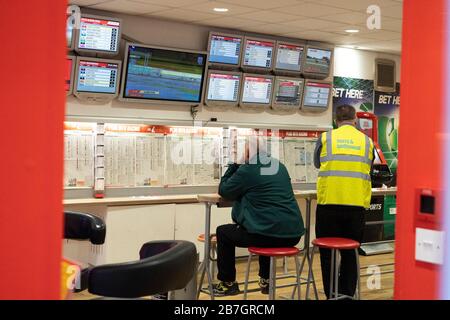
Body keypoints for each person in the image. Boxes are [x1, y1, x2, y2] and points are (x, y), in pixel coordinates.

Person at [213, 137, 305, 296]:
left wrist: (235, 164)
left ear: (248, 151)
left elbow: (225, 190)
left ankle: (228, 283)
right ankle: (266, 280)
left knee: (223, 232)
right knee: (266, 228)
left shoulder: (248, 169)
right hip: (293, 234)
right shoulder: (279, 166)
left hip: (268, 234)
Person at [313, 104, 374, 299]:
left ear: (336, 120)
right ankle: (346, 294)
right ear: (355, 120)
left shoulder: (325, 138)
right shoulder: (367, 141)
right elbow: (369, 168)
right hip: (356, 206)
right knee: (351, 254)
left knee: (327, 254)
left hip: (328, 204)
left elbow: (317, 163)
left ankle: (331, 294)